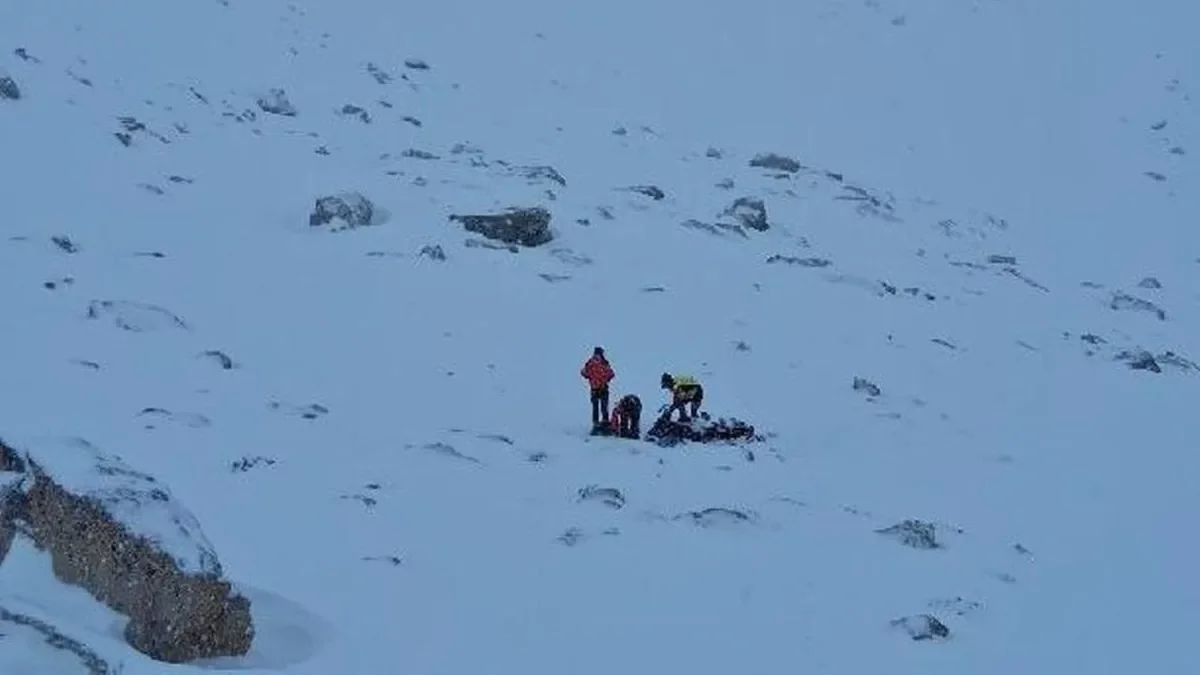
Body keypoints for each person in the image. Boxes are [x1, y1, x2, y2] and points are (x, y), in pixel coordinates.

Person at [580, 347, 615, 428]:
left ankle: (596, 424)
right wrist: (606, 379)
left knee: (595, 407)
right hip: (603, 388)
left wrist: (590, 377)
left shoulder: (589, 363)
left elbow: (583, 372)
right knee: (604, 407)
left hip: (594, 388)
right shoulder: (604, 362)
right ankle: (605, 423)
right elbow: (611, 374)